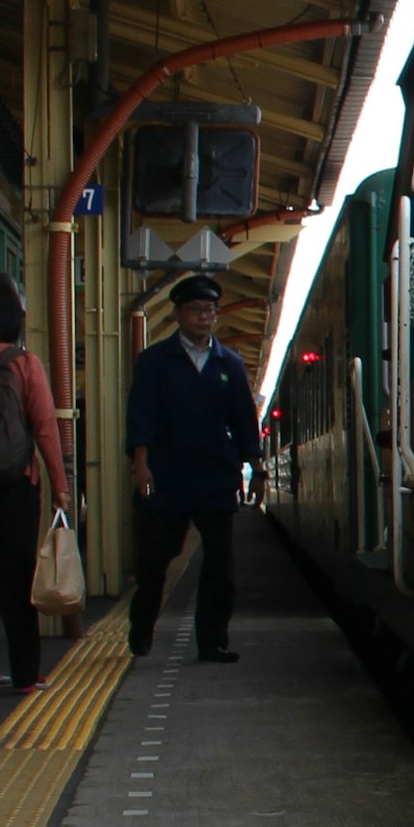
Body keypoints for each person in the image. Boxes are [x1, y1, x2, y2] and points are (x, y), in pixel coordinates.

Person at [126, 272, 263, 662]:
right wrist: (141, 463)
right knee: (155, 561)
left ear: (216, 316)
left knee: (220, 563)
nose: (203, 317)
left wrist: (256, 468)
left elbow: (243, 421)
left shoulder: (229, 364)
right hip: (165, 475)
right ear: (179, 314)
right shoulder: (155, 362)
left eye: (209, 310)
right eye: (194, 310)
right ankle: (142, 627)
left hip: (215, 476)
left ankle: (213, 641)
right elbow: (141, 415)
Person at [0, 277, 72, 692]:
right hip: (17, 483)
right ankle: (24, 673)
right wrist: (60, 485)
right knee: (17, 576)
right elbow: (45, 428)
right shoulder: (24, 363)